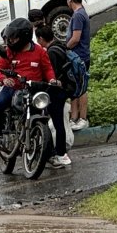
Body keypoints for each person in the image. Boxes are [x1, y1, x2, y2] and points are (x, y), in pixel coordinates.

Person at [0, 18, 59, 149]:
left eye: (14, 38)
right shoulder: (9, 51)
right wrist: (4, 79)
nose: (11, 41)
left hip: (33, 88)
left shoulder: (39, 51)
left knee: (45, 109)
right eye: (10, 38)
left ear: (23, 37)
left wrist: (52, 80)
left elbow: (48, 69)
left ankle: (47, 147)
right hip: (13, 87)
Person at [35, 25, 73, 168]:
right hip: (64, 90)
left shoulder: (51, 52)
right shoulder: (60, 46)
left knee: (55, 123)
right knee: (59, 123)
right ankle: (61, 153)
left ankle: (58, 153)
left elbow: (52, 75)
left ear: (41, 38)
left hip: (55, 92)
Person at [65, 0, 92, 130]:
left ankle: (83, 118)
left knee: (81, 89)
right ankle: (74, 117)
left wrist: (65, 48)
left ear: (70, 0)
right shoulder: (81, 13)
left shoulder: (77, 16)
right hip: (79, 56)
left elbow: (75, 38)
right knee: (75, 88)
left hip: (79, 57)